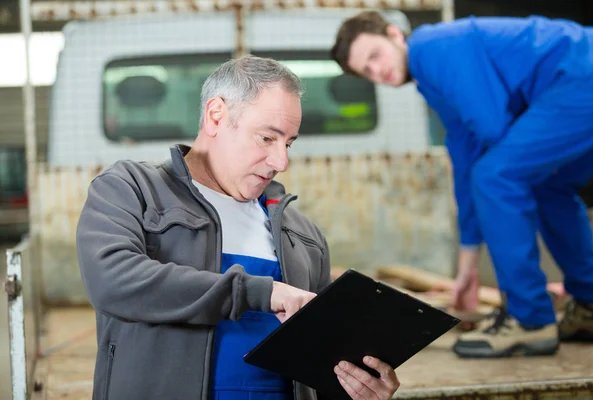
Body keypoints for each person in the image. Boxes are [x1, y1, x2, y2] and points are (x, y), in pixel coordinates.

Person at [76, 54, 400, 400]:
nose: (281, 162)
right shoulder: (132, 189)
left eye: (288, 143)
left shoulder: (302, 234)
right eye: (267, 138)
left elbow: (323, 364)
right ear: (216, 116)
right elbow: (113, 280)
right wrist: (264, 292)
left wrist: (356, 389)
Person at [330, 11, 593, 358]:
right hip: (585, 79)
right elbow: (465, 161)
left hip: (582, 76)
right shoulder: (432, 81)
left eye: (375, 56)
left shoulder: (432, 48)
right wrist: (467, 269)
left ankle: (530, 319)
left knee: (497, 176)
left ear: (395, 34)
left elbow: (490, 132)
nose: (377, 72)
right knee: (546, 187)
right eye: (366, 72)